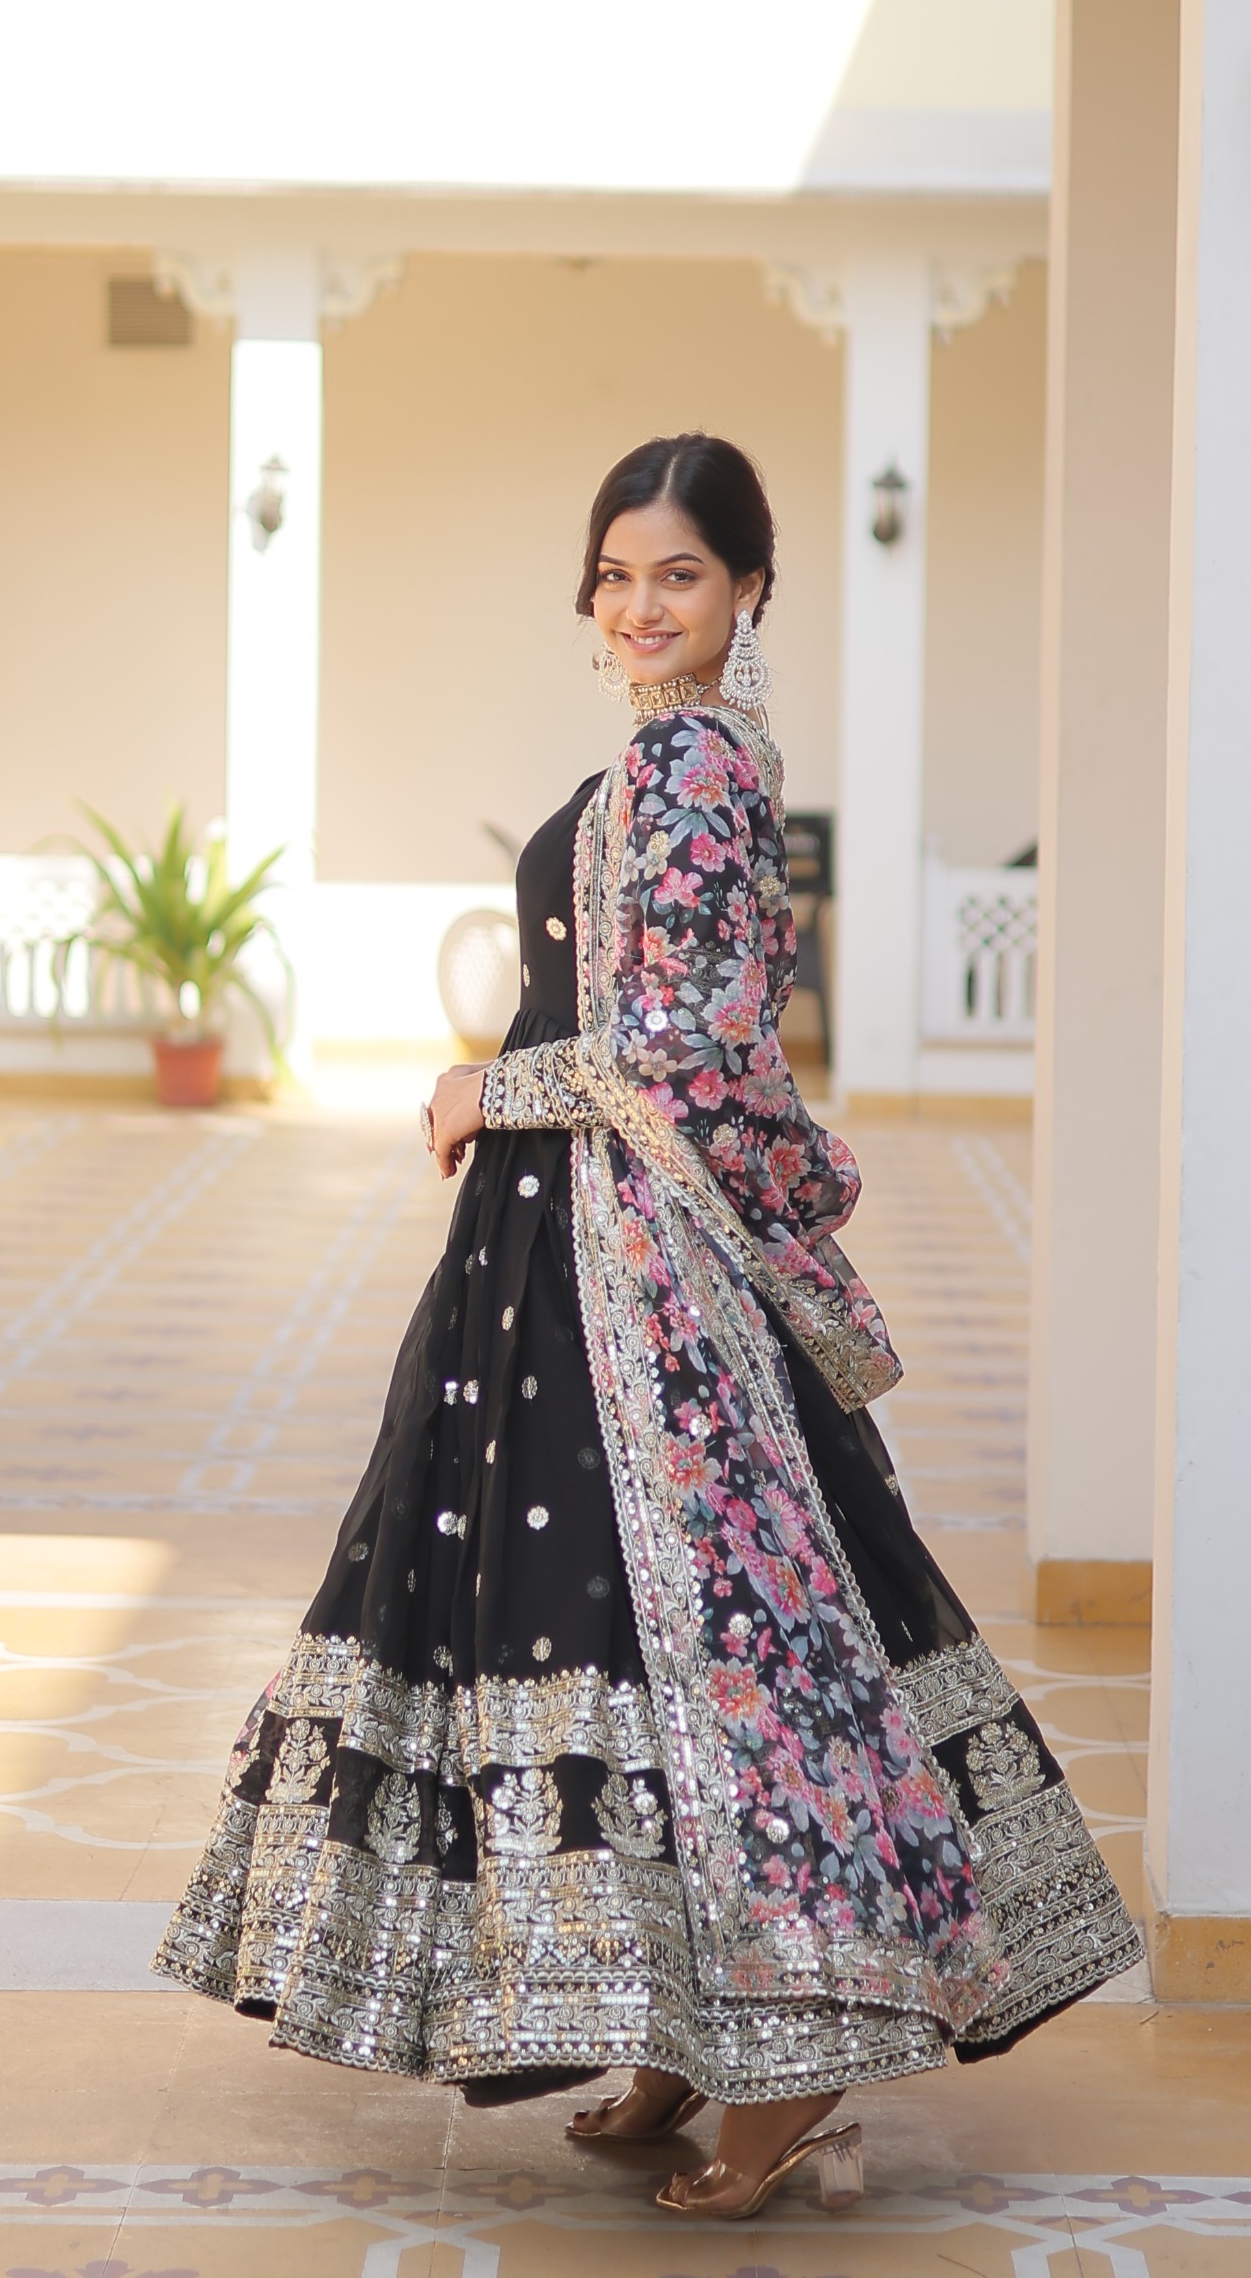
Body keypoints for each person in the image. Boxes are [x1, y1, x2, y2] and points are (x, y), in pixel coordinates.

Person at [156, 433, 1141, 2220]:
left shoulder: (691, 765)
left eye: (676, 573)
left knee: (711, 1642)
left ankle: (792, 2063)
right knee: (639, 1631)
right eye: (615, 573)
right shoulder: (680, 755)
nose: (637, 605)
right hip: (578, 1249)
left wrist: (488, 1084)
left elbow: (687, 1050)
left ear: (749, 587)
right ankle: (689, 2039)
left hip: (636, 1274)